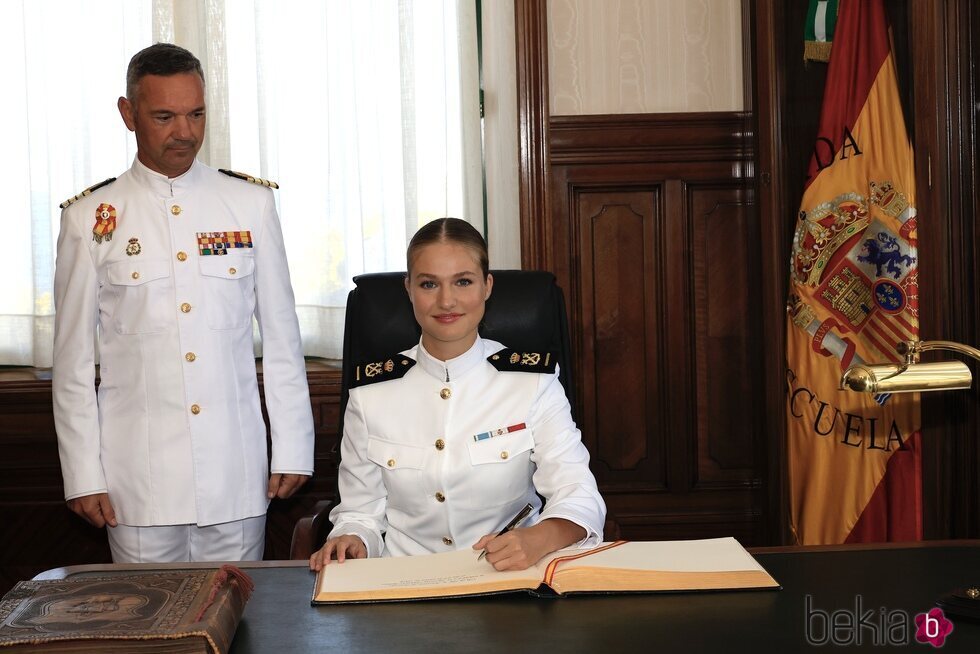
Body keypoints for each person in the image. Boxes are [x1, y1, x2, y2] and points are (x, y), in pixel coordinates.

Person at [52, 43, 314, 563]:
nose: (185, 132)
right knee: (148, 631)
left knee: (240, 623)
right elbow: (73, 363)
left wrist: (292, 448)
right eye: (165, 116)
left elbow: (283, 340)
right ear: (128, 115)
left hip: (234, 477)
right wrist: (83, 473)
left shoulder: (249, 204)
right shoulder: (91, 217)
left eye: (196, 114)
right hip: (137, 482)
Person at [310, 218, 605, 572]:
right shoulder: (371, 393)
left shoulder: (532, 383)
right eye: (429, 284)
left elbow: (579, 494)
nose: (446, 301)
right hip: (403, 586)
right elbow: (360, 513)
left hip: (505, 581)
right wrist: (352, 539)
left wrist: (540, 537)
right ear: (409, 289)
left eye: (463, 281)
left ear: (487, 286)